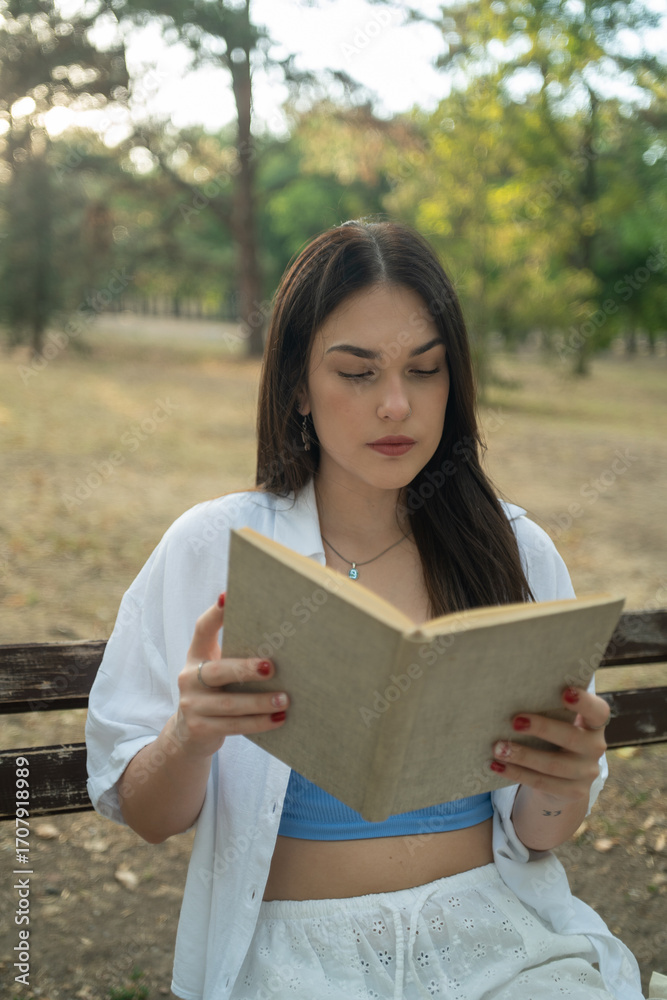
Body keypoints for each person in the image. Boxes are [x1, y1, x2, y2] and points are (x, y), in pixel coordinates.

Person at [86, 219, 645, 1000]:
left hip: (499, 940)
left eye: (424, 370)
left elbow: (540, 831)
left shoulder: (513, 552)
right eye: (356, 373)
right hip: (296, 959)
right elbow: (147, 815)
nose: (395, 405)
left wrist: (569, 776)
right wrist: (190, 735)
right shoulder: (214, 547)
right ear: (295, 388)